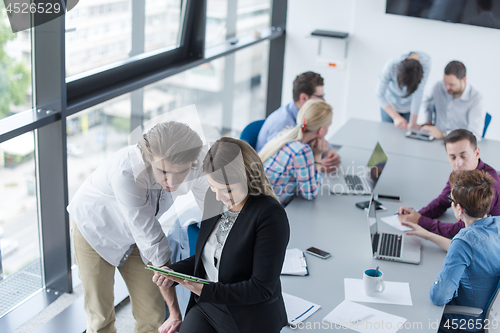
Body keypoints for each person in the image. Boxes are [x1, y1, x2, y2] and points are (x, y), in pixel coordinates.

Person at [68, 122, 208, 333]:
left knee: (153, 315)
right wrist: (176, 313)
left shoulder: (194, 163)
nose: (171, 181)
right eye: (163, 171)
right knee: (101, 318)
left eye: (180, 173)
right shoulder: (126, 174)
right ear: (148, 158)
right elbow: (155, 245)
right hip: (93, 231)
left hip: (135, 236)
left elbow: (213, 209)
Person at [153, 137, 290, 333]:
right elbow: (209, 256)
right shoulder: (214, 198)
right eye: (212, 186)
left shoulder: (270, 215)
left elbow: (261, 288)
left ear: (248, 178)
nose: (219, 196)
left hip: (248, 314)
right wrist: (173, 272)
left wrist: (205, 290)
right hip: (209, 304)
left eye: (227, 190)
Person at [401, 170, 500, 332]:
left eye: (451, 200)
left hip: (463, 324)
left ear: (459, 209)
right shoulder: (496, 225)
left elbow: (439, 297)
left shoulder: (464, 241)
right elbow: (472, 251)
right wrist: (427, 234)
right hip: (490, 318)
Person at [398, 129, 500, 239]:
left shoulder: (487, 185)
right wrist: (416, 214)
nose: (458, 163)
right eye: (452, 157)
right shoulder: (462, 172)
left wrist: (420, 220)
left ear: (477, 153)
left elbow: (463, 229)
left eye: (463, 156)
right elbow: (443, 201)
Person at [256, 71, 340, 171]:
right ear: (304, 98)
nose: (324, 100)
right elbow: (282, 167)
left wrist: (329, 152)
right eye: (320, 97)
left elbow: (318, 138)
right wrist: (318, 165)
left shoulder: (310, 118)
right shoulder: (282, 124)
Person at [259, 99, 332, 205]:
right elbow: (311, 194)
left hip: (254, 204)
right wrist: (318, 155)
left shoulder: (285, 134)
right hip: (266, 212)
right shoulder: (302, 151)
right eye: (328, 127)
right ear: (321, 130)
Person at [421, 61, 485, 140]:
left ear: (464, 80)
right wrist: (428, 121)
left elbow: (475, 135)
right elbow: (426, 100)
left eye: (451, 84)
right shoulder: (438, 87)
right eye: (445, 83)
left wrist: (444, 134)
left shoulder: (476, 98)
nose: (447, 87)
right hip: (435, 139)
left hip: (459, 143)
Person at [375, 51, 431, 129]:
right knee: (387, 132)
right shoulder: (391, 65)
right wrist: (396, 117)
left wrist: (413, 123)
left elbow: (418, 92)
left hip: (408, 108)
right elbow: (379, 94)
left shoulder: (425, 62)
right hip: (390, 105)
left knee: (405, 134)